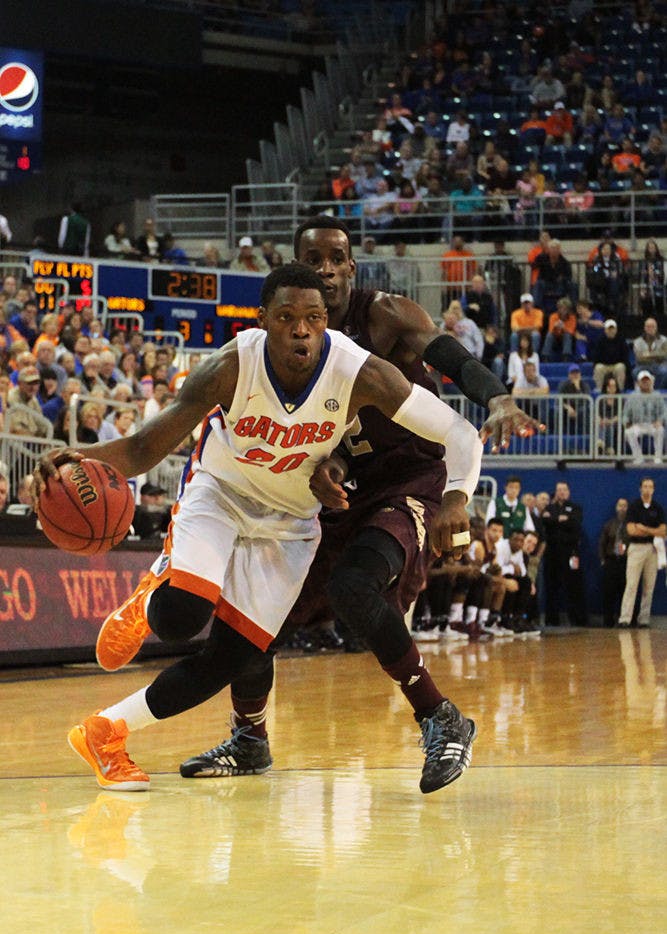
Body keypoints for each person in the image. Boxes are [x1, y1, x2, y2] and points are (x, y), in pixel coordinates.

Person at [35, 263, 485, 795]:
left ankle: (105, 732)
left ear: (327, 323)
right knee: (182, 618)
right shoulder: (230, 366)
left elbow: (460, 434)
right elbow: (141, 449)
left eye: (314, 318)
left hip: (290, 523)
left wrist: (457, 497)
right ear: (264, 321)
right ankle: (152, 588)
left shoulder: (361, 372)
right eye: (288, 318)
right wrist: (72, 457)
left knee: (237, 657)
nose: (302, 330)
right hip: (220, 494)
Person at [177, 216, 537, 789]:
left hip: (410, 479)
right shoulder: (285, 345)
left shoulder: (384, 316)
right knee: (255, 617)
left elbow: (448, 356)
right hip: (336, 488)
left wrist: (495, 399)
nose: (325, 268)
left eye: (336, 258)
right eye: (312, 258)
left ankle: (439, 717)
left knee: (353, 586)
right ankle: (250, 737)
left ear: (350, 267)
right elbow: (327, 441)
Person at [618, 478, 666, 628]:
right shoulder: (634, 506)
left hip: (652, 549)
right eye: (645, 486)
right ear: (640, 489)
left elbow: (663, 531)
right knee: (631, 584)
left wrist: (644, 529)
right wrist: (653, 531)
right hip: (636, 548)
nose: (647, 489)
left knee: (648, 586)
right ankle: (625, 619)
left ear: (653, 489)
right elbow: (631, 530)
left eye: (650, 487)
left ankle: (643, 619)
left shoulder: (657, 508)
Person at [542, 481, 588, 627]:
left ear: (568, 492)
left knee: (574, 586)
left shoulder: (575, 508)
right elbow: (546, 523)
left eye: (564, 489)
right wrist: (560, 520)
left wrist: (556, 520)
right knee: (551, 587)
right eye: (559, 490)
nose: (561, 492)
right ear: (555, 492)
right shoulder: (549, 508)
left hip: (570, 553)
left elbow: (575, 524)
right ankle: (551, 620)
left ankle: (577, 620)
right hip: (552, 553)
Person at [623, 370, 666, 464]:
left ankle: (658, 458)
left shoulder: (657, 395)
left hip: (652, 424)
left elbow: (664, 411)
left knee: (660, 430)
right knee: (629, 432)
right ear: (638, 383)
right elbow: (626, 413)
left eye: (647, 380)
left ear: (651, 381)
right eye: (643, 381)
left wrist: (660, 420)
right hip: (637, 424)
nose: (645, 383)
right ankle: (638, 457)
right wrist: (626, 422)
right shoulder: (632, 396)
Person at [599, 498, 628, 627]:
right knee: (608, 593)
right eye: (620, 505)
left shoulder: (631, 526)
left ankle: (625, 620)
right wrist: (603, 560)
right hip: (611, 561)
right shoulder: (609, 524)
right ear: (616, 508)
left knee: (625, 592)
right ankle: (608, 621)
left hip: (625, 562)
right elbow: (602, 543)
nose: (622, 508)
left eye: (625, 506)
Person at [591, 318, 631, 391]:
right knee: (598, 368)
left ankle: (620, 391)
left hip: (616, 365)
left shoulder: (621, 340)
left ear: (616, 330)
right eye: (609, 329)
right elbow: (596, 357)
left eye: (613, 329)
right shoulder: (600, 341)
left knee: (621, 367)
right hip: (604, 365)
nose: (611, 331)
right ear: (605, 330)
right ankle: (599, 391)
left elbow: (625, 357)